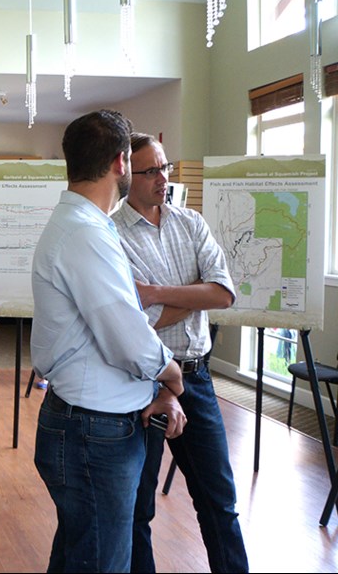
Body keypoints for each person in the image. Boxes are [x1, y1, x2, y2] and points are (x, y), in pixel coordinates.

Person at [30, 110, 187, 572]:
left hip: (90, 423)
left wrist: (158, 385)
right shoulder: (84, 232)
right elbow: (126, 338)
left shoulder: (83, 226)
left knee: (83, 553)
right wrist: (173, 376)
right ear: (121, 163)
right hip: (93, 431)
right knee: (100, 561)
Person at [112, 133, 247, 573]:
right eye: (151, 170)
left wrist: (156, 293)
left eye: (166, 167)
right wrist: (192, 296)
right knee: (138, 508)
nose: (163, 178)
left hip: (197, 378)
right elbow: (133, 323)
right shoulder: (110, 234)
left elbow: (223, 294)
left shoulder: (191, 224)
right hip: (143, 383)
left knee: (219, 500)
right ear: (127, 173)